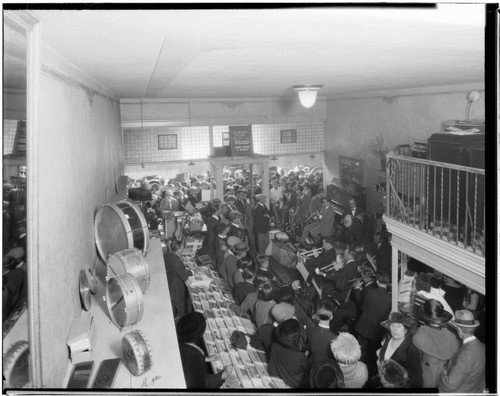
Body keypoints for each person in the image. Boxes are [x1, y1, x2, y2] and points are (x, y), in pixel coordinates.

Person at [177, 312, 233, 388]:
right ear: (200, 335)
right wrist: (223, 374)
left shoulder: (178, 341)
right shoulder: (195, 355)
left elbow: (185, 358)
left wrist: (206, 359)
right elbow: (200, 384)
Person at [412, 299, 460, 388]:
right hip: (444, 377)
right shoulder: (452, 336)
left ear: (425, 316)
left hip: (425, 375)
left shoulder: (421, 334)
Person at [354, 272, 392, 377]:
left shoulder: (370, 292)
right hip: (377, 331)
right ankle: (369, 375)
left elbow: (363, 308)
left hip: (363, 327)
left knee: (361, 351)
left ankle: (357, 373)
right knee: (373, 355)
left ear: (377, 281)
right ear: (388, 282)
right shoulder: (390, 298)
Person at [437, 310, 486, 393]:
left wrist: (442, 374)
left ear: (459, 330)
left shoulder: (466, 355)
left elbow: (450, 384)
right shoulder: (482, 346)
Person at [376, 312, 422, 388]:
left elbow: (417, 380)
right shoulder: (387, 340)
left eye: (399, 326)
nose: (395, 329)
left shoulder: (411, 350)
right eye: (392, 326)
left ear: (405, 330)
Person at [268, 318, 311, 388]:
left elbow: (272, 371)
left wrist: (284, 374)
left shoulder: (274, 346)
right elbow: (311, 371)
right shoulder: (300, 356)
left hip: (283, 380)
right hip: (300, 385)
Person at [163, 240, 191, 318]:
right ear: (178, 250)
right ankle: (179, 321)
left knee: (174, 307)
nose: (183, 248)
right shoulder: (176, 260)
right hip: (176, 289)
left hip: (171, 283)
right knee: (181, 310)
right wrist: (191, 273)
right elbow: (186, 279)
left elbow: (177, 270)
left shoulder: (168, 254)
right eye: (182, 247)